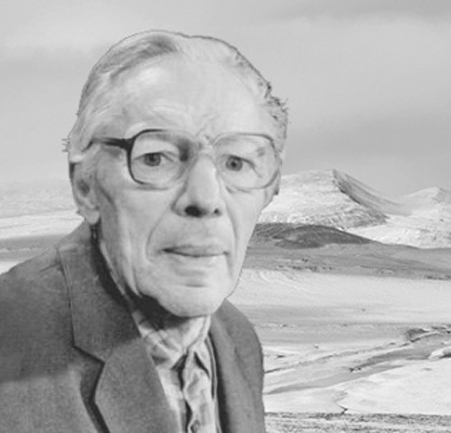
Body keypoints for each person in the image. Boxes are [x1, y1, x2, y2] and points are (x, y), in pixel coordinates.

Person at [0, 30, 287, 433]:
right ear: (86, 186)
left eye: (235, 163)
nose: (206, 198)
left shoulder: (235, 339)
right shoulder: (10, 340)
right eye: (156, 158)